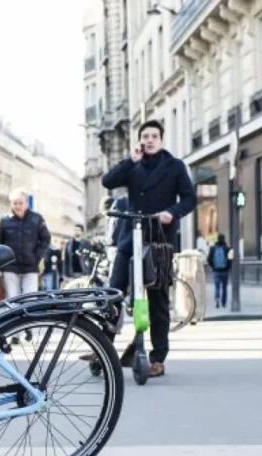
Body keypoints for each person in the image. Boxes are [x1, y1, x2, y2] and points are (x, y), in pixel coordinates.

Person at [100, 119, 195, 378]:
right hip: (130, 240)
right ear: (140, 140)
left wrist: (172, 213)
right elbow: (108, 181)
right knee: (113, 294)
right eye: (145, 136)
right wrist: (130, 160)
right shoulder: (133, 164)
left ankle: (158, 357)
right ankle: (103, 347)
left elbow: (189, 199)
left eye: (154, 136)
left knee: (158, 300)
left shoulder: (174, 166)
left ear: (161, 140)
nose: (149, 140)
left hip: (159, 241)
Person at [0, 188, 51, 343]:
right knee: (12, 300)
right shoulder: (5, 220)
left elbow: (45, 239)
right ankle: (14, 334)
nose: (17, 206)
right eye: (14, 203)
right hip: (10, 267)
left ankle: (29, 329)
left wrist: (37, 257)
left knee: (29, 299)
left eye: (20, 203)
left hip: (30, 267)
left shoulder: (37, 219)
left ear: (26, 203)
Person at [206, 233, 232, 308]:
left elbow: (209, 259)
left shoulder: (213, 248)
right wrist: (228, 267)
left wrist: (213, 266)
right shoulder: (227, 248)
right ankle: (224, 302)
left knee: (217, 287)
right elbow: (230, 259)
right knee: (224, 287)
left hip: (216, 271)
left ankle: (217, 299)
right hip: (225, 271)